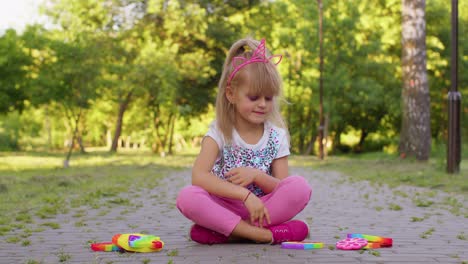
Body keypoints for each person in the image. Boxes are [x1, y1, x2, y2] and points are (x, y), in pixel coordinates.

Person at [176, 37, 312, 245]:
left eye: (268, 98)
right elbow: (199, 176)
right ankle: (264, 235)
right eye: (253, 97)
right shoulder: (219, 132)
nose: (262, 104)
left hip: (263, 208)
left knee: (299, 187)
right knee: (188, 196)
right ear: (231, 94)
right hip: (224, 205)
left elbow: (281, 187)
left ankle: (229, 230)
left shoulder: (276, 136)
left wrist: (257, 176)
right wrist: (245, 196)